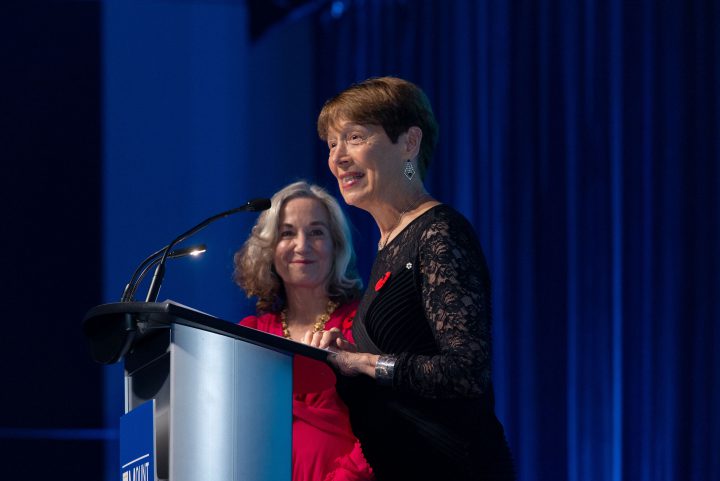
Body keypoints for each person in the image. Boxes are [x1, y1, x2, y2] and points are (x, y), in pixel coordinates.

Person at [310, 76, 516, 480]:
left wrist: (367, 362)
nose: (338, 158)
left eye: (354, 137)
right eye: (332, 144)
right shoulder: (389, 245)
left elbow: (466, 371)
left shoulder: (438, 232)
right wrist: (345, 360)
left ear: (409, 143)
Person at [234, 181, 374, 481]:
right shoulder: (250, 334)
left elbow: (388, 422)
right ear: (270, 249)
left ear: (336, 245)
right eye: (287, 233)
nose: (302, 245)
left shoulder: (363, 323)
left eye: (316, 232)